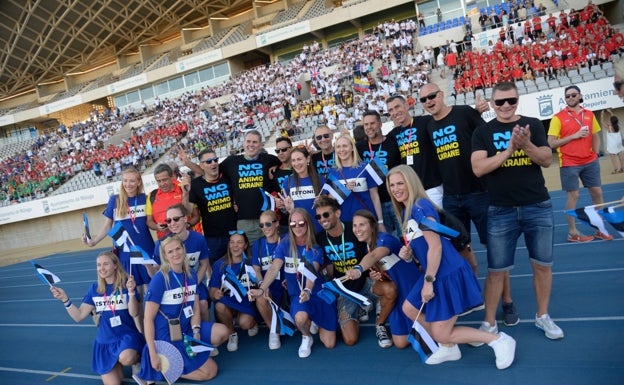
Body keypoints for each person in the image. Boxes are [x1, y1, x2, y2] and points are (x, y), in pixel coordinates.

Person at [387, 165, 515, 369]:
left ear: (411, 183)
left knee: (439, 332)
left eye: (400, 183)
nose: (395, 189)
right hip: (434, 270)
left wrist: (428, 282)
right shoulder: (406, 210)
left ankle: (498, 340)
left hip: (445, 272)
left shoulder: (420, 207)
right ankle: (449, 346)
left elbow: (436, 246)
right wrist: (409, 252)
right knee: (409, 308)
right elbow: (423, 244)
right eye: (392, 185)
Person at [471, 81, 565, 342]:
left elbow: (547, 159)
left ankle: (542, 316)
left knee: (543, 266)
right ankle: (489, 323)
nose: (505, 106)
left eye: (511, 100)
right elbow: (478, 168)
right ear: (491, 103)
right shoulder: (482, 131)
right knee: (496, 270)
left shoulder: (533, 124)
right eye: (500, 101)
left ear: (517, 100)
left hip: (538, 206)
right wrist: (509, 150)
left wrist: (527, 146)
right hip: (501, 210)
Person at [419, 83, 519, 326]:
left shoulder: (465, 112)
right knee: (459, 251)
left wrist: (480, 109)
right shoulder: (428, 126)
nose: (429, 101)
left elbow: (488, 138)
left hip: (480, 193)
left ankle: (507, 301)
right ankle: (472, 296)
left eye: (432, 96)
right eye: (424, 99)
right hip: (452, 198)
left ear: (442, 95)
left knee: (496, 253)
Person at [134, 235, 229, 385]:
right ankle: (162, 369)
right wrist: (152, 352)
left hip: (187, 329)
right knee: (210, 371)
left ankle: (170, 365)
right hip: (167, 335)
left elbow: (195, 308)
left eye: (178, 248)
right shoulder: (160, 279)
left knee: (223, 332)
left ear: (184, 249)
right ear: (165, 256)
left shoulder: (190, 275)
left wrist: (196, 333)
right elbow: (148, 319)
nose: (175, 253)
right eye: (170, 251)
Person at [249, 209, 337, 358]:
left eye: (301, 223)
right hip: (298, 294)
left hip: (316, 294)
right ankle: (306, 337)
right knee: (300, 318)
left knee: (329, 344)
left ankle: (316, 319)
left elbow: (312, 272)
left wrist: (308, 291)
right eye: (293, 223)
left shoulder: (314, 248)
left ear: (308, 224)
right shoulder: (285, 244)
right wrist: (261, 288)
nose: (297, 226)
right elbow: (275, 267)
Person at [50, 251, 144, 385]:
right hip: (104, 342)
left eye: (106, 264)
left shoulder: (126, 284)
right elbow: (79, 316)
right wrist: (65, 299)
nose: (102, 268)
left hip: (126, 337)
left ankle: (138, 359)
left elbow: (134, 313)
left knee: (127, 358)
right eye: (99, 265)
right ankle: (117, 361)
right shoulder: (95, 289)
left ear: (115, 265)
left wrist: (131, 292)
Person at [345, 209, 421, 349]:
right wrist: (379, 276)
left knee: (426, 335)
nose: (357, 229)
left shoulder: (385, 239)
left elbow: (374, 256)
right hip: (398, 294)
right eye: (355, 225)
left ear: (372, 226)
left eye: (362, 225)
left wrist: (358, 269)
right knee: (400, 343)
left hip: (412, 291)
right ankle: (380, 323)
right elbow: (378, 264)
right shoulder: (367, 246)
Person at [547, 85, 613, 242]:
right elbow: (551, 143)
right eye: (567, 96)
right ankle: (572, 232)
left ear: (580, 95)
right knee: (573, 195)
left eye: (573, 95)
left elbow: (595, 134)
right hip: (569, 161)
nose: (570, 98)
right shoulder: (558, 118)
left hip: (590, 160)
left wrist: (595, 153)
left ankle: (600, 229)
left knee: (597, 193)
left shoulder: (589, 114)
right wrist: (573, 136)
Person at [314, 195, 376, 346]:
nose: (322, 219)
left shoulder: (354, 229)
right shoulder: (320, 238)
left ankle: (373, 309)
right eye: (319, 216)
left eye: (326, 214)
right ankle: (357, 309)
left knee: (388, 288)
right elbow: (319, 262)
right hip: (344, 288)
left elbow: (373, 250)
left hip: (366, 281)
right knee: (350, 339)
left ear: (337, 213)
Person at [84, 166, 154, 287]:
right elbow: (107, 225)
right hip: (125, 252)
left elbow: (152, 221)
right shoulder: (114, 200)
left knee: (151, 287)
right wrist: (94, 241)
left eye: (132, 181)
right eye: (125, 180)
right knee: (134, 290)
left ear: (138, 182)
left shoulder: (145, 199)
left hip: (146, 248)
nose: (128, 184)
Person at [219, 129, 281, 242]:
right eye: (248, 141)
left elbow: (286, 162)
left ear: (261, 145)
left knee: (271, 252)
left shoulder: (268, 159)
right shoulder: (232, 161)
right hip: (244, 221)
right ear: (243, 143)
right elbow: (212, 173)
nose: (251, 145)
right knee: (250, 254)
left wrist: (275, 167)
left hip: (266, 218)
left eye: (254, 142)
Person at [152, 204, 211, 322]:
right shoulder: (161, 244)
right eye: (168, 220)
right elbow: (156, 268)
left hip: (192, 281)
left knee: (203, 305)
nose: (172, 223)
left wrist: (194, 282)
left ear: (185, 219)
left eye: (176, 219)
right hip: (171, 287)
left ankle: (203, 336)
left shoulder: (199, 239)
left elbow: (204, 263)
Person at [386, 95, 443, 207]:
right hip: (410, 192)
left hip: (432, 188)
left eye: (397, 107)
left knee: (435, 223)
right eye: (391, 110)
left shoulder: (425, 121)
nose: (395, 112)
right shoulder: (393, 134)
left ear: (406, 105)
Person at [208, 230, 259, 352]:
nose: (235, 246)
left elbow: (260, 283)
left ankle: (253, 322)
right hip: (229, 302)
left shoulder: (251, 263)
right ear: (229, 245)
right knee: (219, 306)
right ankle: (232, 334)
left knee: (245, 324)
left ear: (245, 245)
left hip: (246, 302)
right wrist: (215, 293)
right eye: (232, 242)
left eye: (239, 242)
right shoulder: (219, 264)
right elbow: (212, 292)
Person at [356, 110, 402, 237]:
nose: (369, 127)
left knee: (405, 238)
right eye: (366, 124)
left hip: (396, 199)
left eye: (372, 123)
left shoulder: (392, 142)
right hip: (376, 204)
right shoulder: (359, 147)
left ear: (380, 124)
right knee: (386, 242)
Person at [187, 149, 237, 265]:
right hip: (213, 238)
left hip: (234, 233)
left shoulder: (227, 177)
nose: (213, 163)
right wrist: (185, 193)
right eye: (208, 161)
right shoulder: (195, 184)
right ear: (201, 166)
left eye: (215, 160)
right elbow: (188, 211)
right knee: (216, 271)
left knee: (239, 268)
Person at [326, 133, 384, 225]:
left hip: (367, 219)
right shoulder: (332, 172)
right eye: (338, 147)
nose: (341, 150)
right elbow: (330, 200)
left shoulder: (365, 168)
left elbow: (374, 196)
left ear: (352, 147)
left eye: (345, 146)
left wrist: (380, 222)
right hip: (344, 222)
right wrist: (344, 190)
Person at [249, 210, 287, 350]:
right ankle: (273, 331)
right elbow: (256, 270)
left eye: (268, 223)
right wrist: (261, 285)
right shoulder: (258, 245)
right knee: (260, 297)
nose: (265, 227)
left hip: (286, 286)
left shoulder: (286, 239)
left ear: (277, 224)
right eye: (261, 225)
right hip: (268, 287)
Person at [145, 163, 199, 239]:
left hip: (186, 239)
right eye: (159, 181)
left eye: (164, 180)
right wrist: (157, 227)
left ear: (172, 177)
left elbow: (196, 216)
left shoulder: (183, 190)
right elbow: (149, 221)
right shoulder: (151, 196)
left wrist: (188, 224)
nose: (162, 184)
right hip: (165, 243)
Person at [279, 145, 325, 232]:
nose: (296, 163)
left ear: (307, 159)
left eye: (299, 159)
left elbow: (329, 206)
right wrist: (282, 206)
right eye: (293, 160)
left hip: (320, 229)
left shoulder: (320, 179)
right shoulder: (288, 181)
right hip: (299, 231)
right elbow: (286, 210)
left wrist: (323, 201)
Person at [271, 137, 294, 233]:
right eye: (277, 151)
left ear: (291, 149)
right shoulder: (274, 172)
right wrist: (277, 200)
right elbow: (274, 193)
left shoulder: (301, 167)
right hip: (285, 223)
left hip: (305, 216)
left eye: (284, 149)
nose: (280, 153)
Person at [600, 109, 624, 174]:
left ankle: (616, 170)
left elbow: (602, 121)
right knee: (620, 156)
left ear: (611, 121)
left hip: (612, 145)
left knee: (613, 158)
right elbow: (614, 119)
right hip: (618, 144)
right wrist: (610, 112)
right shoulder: (618, 126)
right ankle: (622, 168)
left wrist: (602, 114)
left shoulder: (609, 127)